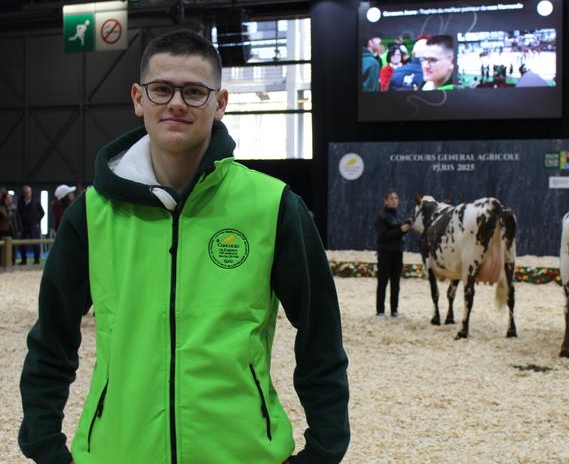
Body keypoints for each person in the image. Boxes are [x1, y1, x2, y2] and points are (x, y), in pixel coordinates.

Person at [19, 29, 349, 464]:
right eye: (162, 89)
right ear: (139, 98)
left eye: (195, 91)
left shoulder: (273, 207)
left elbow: (321, 336)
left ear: (220, 103)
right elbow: (52, 340)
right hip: (118, 454)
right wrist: (44, 445)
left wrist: (323, 451)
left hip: (242, 454)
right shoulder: (92, 214)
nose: (176, 102)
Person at [374, 190, 410, 318]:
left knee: (396, 283)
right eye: (391, 198)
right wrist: (401, 230)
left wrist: (405, 229)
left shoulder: (399, 216)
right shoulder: (381, 217)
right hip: (385, 253)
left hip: (398, 253)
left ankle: (394, 310)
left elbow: (398, 233)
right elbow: (384, 236)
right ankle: (380, 311)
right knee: (383, 282)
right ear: (386, 201)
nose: (394, 200)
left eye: (396, 198)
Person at [16, 185, 45, 265]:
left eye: (28, 192)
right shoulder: (20, 202)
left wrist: (37, 221)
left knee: (35, 243)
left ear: (31, 193)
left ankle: (36, 260)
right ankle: (23, 260)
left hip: (33, 225)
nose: (27, 194)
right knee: (22, 243)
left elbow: (42, 213)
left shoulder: (36, 202)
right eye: (25, 193)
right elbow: (18, 214)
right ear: (23, 193)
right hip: (23, 226)